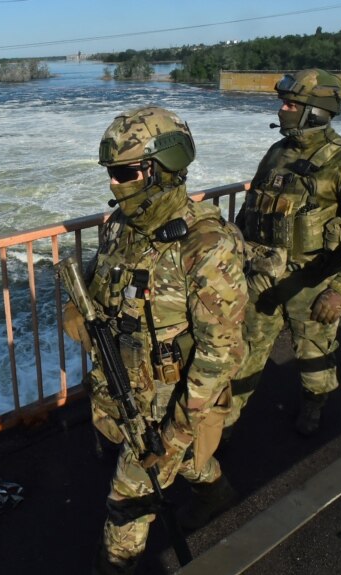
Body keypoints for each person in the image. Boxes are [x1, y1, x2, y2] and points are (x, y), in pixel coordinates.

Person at [63, 106, 249, 574]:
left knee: (126, 502)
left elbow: (220, 353)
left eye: (124, 172)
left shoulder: (205, 245)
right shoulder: (123, 227)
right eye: (111, 173)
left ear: (161, 168)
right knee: (183, 465)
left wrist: (173, 434)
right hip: (126, 386)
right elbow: (103, 286)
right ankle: (216, 492)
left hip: (172, 408)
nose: (113, 184)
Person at [228, 68, 341, 437]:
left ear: (315, 111)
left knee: (314, 356)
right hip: (262, 279)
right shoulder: (277, 152)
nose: (282, 110)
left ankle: (314, 407)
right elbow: (251, 210)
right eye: (285, 102)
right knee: (244, 353)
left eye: (291, 104)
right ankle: (225, 424)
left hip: (311, 284)